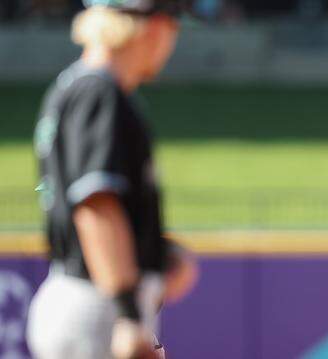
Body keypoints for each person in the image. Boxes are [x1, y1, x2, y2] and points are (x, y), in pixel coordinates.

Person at [28, 1, 198, 358]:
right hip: (98, 306)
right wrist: (128, 314)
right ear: (152, 28)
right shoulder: (98, 93)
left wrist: (154, 253)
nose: (174, 37)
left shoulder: (78, 87)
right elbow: (95, 206)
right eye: (173, 23)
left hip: (88, 297)